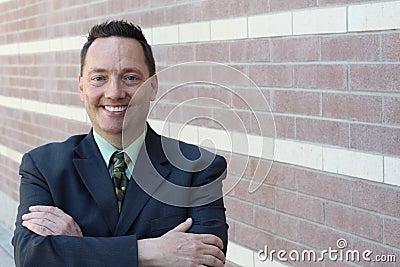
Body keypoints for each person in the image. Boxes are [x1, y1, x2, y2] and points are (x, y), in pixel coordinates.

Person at [12, 20, 228, 267]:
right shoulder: (42, 167)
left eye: (130, 77)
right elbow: (30, 257)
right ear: (81, 87)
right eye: (99, 78)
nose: (114, 92)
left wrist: (80, 248)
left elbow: (207, 260)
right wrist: (146, 252)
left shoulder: (198, 168)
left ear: (153, 86)